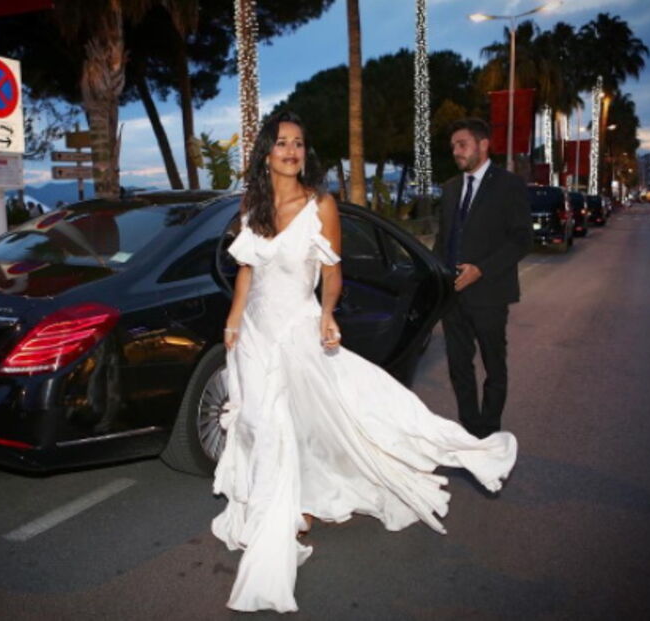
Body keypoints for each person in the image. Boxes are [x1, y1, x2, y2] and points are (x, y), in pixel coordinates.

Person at [212, 111, 518, 613]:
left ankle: (287, 513)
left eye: (299, 143)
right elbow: (247, 269)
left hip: (298, 328)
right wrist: (232, 320)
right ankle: (292, 501)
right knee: (262, 422)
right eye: (282, 143)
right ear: (266, 152)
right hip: (254, 335)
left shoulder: (321, 206)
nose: (292, 151)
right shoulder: (254, 206)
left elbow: (332, 273)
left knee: (307, 419)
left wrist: (329, 313)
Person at [433, 118, 532, 439]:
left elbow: (520, 240)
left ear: (483, 144)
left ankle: (489, 430)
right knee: (459, 367)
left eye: (462, 145)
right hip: (453, 297)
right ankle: (470, 428)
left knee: (493, 365)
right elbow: (443, 239)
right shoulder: (449, 189)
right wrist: (434, 277)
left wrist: (481, 269)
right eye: (453, 147)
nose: (456, 152)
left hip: (489, 294)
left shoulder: (509, 185)